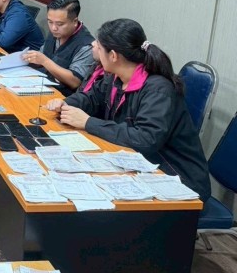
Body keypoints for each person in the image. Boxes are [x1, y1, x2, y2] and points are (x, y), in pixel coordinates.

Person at [45, 19, 211, 200]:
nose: (93, 46)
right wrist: (66, 103)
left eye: (99, 46)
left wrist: (88, 122)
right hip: (138, 164)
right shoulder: (115, 77)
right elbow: (91, 98)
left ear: (113, 55)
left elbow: (145, 139)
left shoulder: (158, 89)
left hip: (177, 178)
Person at [21, 0, 95, 96]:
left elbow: (75, 81)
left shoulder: (86, 45)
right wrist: (28, 59)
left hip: (62, 97)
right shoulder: (56, 32)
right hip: (41, 84)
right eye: (50, 22)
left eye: (60, 24)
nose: (53, 28)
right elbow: (42, 56)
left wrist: (44, 61)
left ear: (74, 21)